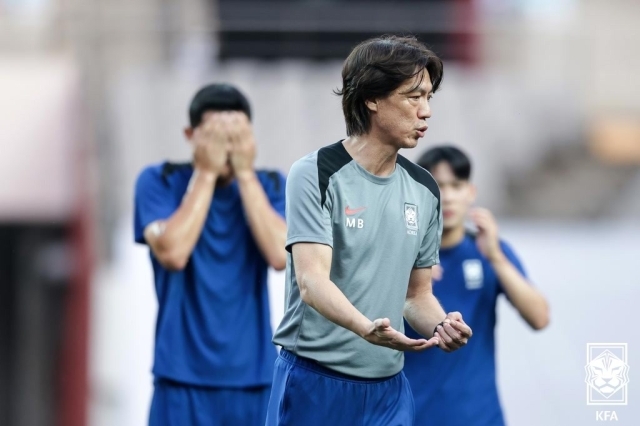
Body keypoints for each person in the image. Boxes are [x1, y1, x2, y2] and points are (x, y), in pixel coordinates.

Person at [265, 35, 473, 426]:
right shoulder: (315, 173)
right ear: (372, 99)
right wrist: (366, 329)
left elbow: (417, 295)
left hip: (388, 393)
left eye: (429, 98)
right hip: (315, 382)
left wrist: (443, 325)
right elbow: (311, 282)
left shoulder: (425, 189)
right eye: (414, 97)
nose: (426, 111)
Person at [133, 83, 287, 426]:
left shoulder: (272, 184)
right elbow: (173, 252)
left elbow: (281, 255)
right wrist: (205, 172)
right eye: (215, 136)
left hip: (255, 376)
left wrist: (245, 175)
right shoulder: (160, 179)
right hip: (180, 375)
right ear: (190, 135)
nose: (226, 146)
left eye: (235, 135)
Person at [403, 145, 550, 426]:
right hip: (409, 415)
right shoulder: (398, 256)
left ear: (470, 192)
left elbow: (540, 318)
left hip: (478, 416)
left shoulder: (489, 252)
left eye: (455, 185)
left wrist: (495, 256)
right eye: (436, 186)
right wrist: (411, 274)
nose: (446, 197)